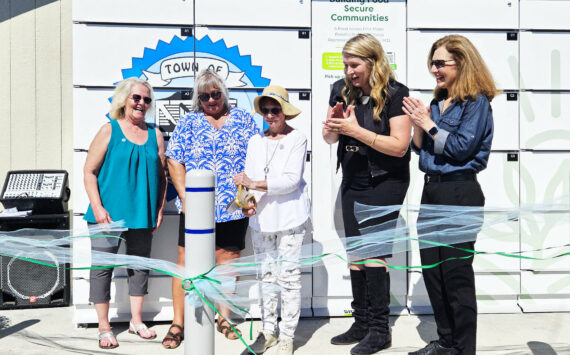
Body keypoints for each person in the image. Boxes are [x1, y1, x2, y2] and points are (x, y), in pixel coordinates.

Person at [403, 35, 500, 355]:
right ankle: (446, 341)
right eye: (432, 63)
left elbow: (461, 149)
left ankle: (463, 348)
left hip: (460, 191)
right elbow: (421, 150)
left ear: (462, 63)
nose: (434, 69)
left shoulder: (477, 103)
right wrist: (417, 123)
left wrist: (427, 123)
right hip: (431, 191)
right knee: (433, 273)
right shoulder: (436, 102)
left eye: (440, 63)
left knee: (456, 276)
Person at [322, 33, 411, 355]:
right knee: (356, 254)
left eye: (354, 64)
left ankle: (379, 329)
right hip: (353, 177)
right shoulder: (340, 90)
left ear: (373, 62)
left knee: (374, 253)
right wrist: (332, 129)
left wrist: (356, 130)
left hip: (385, 180)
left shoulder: (395, 93)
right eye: (346, 65)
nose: (349, 71)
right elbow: (330, 138)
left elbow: (400, 146)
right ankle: (360, 321)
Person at [163, 69, 261, 349]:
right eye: (204, 96)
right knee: (185, 263)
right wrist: (187, 198)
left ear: (224, 94)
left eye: (215, 94)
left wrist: (250, 195)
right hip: (195, 209)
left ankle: (224, 317)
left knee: (227, 260)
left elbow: (257, 158)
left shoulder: (243, 120)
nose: (211, 100)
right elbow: (174, 160)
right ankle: (178, 323)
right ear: (198, 98)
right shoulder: (189, 122)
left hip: (233, 206)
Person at [83, 77, 167, 349]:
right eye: (136, 98)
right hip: (106, 215)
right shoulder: (109, 130)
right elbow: (89, 171)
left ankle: (136, 321)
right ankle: (104, 326)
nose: (142, 103)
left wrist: (159, 209)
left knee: (139, 268)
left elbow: (162, 177)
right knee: (102, 269)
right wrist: (97, 207)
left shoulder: (155, 134)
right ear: (124, 100)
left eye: (146, 99)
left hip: (142, 214)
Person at [233, 85, 311, 355]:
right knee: (265, 277)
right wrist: (247, 202)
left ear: (285, 112)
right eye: (265, 110)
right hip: (262, 221)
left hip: (290, 218)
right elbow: (249, 177)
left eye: (274, 109)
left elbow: (290, 181)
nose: (269, 115)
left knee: (288, 278)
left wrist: (252, 183)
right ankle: (268, 331)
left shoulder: (297, 138)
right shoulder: (256, 141)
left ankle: (288, 335)